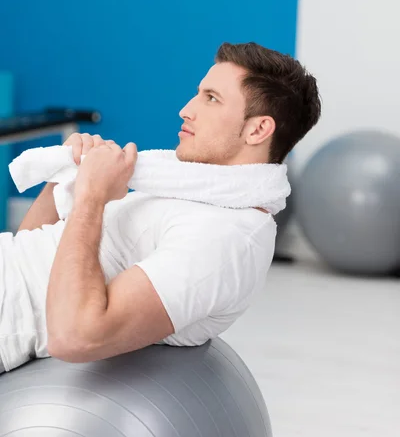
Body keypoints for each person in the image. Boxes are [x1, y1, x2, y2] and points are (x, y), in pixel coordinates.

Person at [0, 42, 321, 373]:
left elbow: (76, 336)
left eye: (211, 98)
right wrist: (66, 177)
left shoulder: (228, 240)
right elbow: (29, 252)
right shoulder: (189, 188)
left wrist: (91, 198)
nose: (186, 109)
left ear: (257, 129)